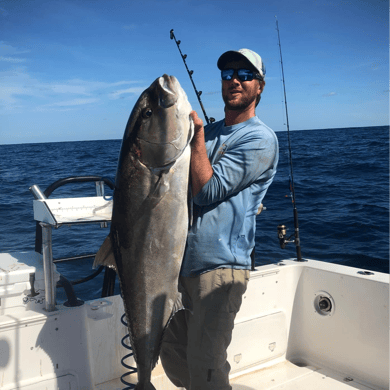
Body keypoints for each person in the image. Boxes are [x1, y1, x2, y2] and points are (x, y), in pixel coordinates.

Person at [160, 48, 279, 389]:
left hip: (220, 270)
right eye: (228, 74)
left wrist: (196, 136)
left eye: (245, 75)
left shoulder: (259, 139)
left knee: (206, 365)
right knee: (174, 353)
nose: (235, 81)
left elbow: (206, 192)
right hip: (180, 266)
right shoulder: (209, 134)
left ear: (260, 86)